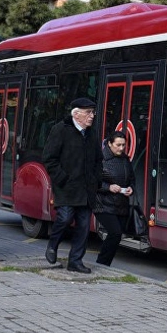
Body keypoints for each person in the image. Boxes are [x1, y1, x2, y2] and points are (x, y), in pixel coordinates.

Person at [42, 97, 103, 273]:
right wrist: (62, 179)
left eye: (93, 112)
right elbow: (49, 158)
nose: (92, 116)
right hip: (67, 187)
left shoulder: (92, 133)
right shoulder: (60, 130)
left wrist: (96, 179)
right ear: (76, 114)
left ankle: (75, 261)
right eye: (88, 113)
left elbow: (99, 159)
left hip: (86, 189)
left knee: (84, 227)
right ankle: (53, 245)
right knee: (65, 218)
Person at [93, 131, 135, 266]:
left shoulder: (125, 159)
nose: (121, 148)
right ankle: (102, 264)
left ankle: (104, 264)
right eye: (118, 145)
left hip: (121, 204)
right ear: (110, 144)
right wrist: (108, 187)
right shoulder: (100, 159)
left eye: (123, 145)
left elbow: (132, 179)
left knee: (116, 236)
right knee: (115, 233)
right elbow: (91, 181)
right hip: (102, 204)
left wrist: (131, 188)